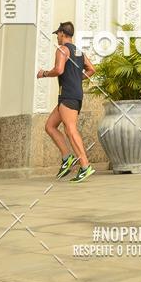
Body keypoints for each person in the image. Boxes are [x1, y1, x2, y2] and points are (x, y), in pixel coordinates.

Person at [37, 21, 97, 183]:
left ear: (62, 33)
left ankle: (85, 166)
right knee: (50, 126)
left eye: (57, 34)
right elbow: (92, 69)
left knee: (70, 129)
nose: (57, 37)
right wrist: (77, 78)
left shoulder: (62, 50)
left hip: (68, 95)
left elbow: (59, 70)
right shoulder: (79, 52)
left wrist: (44, 73)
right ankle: (67, 157)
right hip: (71, 95)